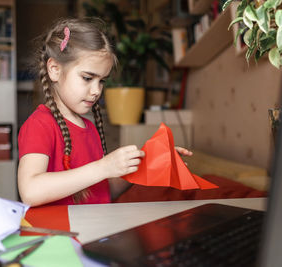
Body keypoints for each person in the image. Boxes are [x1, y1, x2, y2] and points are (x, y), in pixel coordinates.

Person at [17, 18, 192, 207]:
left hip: (93, 230)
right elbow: (30, 191)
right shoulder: (39, 125)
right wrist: (103, 167)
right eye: (87, 78)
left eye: (102, 81)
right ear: (54, 70)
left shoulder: (89, 127)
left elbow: (102, 192)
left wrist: (145, 165)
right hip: (62, 235)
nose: (96, 91)